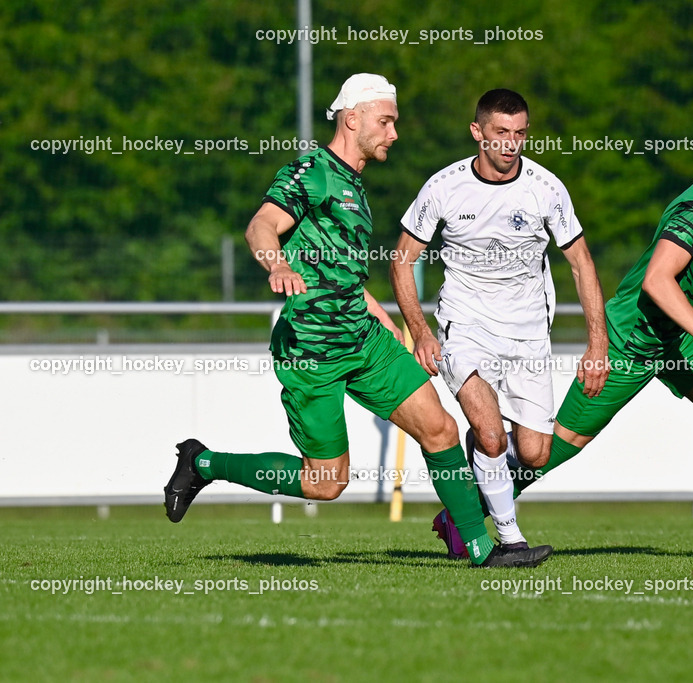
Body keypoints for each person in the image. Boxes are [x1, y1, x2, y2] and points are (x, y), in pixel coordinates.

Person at [162, 73, 551, 568]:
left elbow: (340, 268)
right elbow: (261, 224)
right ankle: (203, 463)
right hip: (312, 349)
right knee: (326, 483)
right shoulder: (313, 169)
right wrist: (276, 262)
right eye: (385, 122)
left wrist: (383, 318)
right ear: (353, 119)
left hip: (364, 340)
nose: (394, 133)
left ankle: (483, 549)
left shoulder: (355, 186)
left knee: (441, 430)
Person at [433, 119, 693, 556]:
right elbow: (658, 282)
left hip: (672, 338)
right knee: (551, 450)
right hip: (630, 339)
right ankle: (464, 511)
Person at [390, 89, 608, 556]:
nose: (511, 144)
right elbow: (402, 261)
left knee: (534, 454)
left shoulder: (545, 187)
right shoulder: (443, 187)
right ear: (478, 133)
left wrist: (597, 344)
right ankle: (508, 541)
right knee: (489, 434)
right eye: (500, 133)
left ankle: (462, 508)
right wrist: (423, 331)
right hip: (463, 326)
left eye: (520, 134)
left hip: (528, 333)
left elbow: (581, 264)